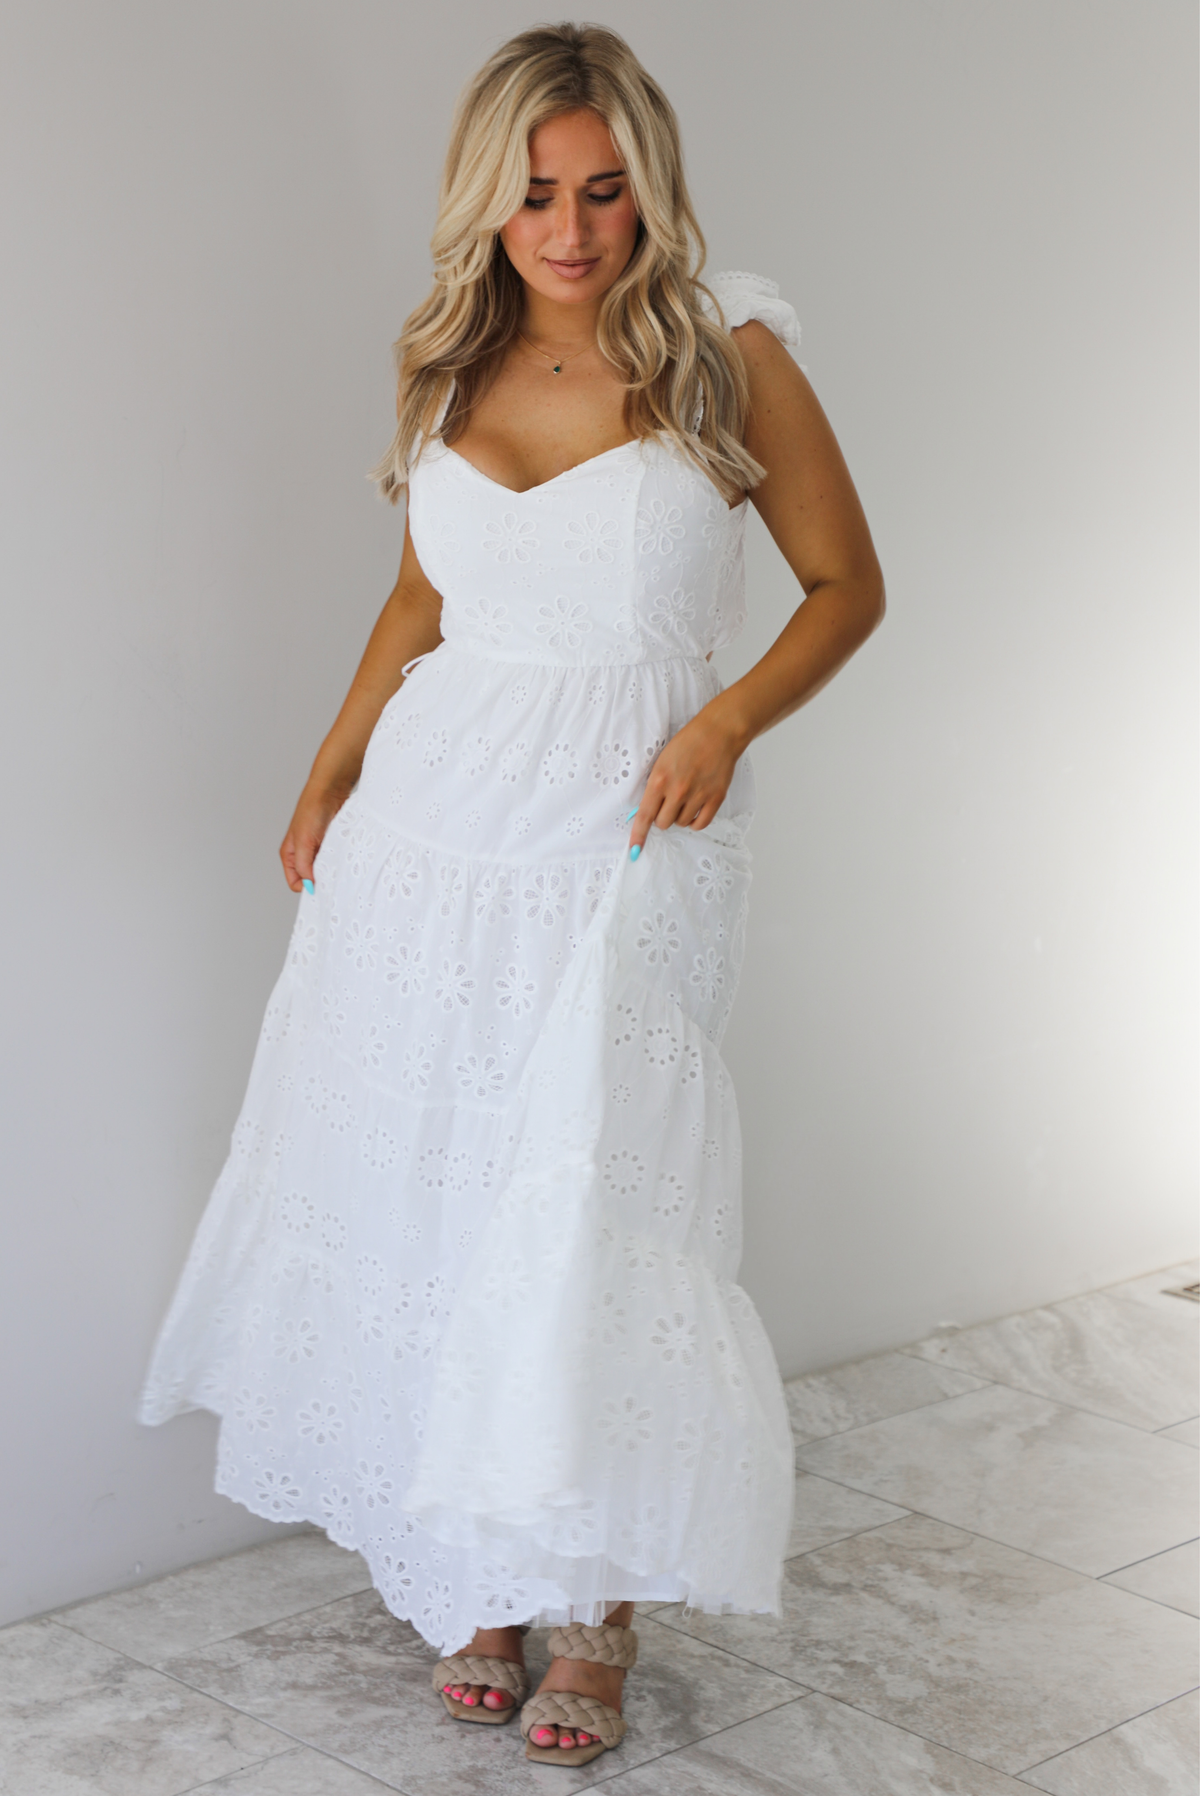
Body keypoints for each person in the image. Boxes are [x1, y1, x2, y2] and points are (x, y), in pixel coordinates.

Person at [139, 20, 884, 1769]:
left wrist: (724, 720)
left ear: (652, 188)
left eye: (605, 191)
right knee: (441, 1193)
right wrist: (331, 767)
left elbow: (846, 584)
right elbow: (423, 603)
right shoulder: (449, 362)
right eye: (537, 194)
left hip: (629, 828)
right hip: (430, 836)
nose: (569, 229)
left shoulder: (727, 351)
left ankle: (595, 1602)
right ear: (487, 197)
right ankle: (480, 1577)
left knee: (596, 1209)